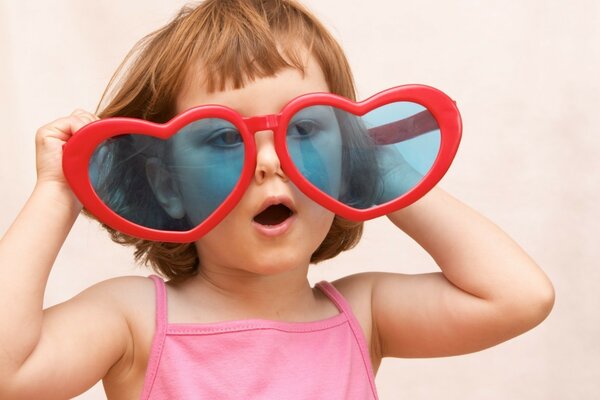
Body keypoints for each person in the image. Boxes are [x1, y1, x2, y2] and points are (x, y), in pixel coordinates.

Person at [0, 0, 555, 399]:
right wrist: (55, 192)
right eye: (223, 136)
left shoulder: (362, 316)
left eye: (305, 130)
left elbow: (518, 296)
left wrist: (370, 166)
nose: (270, 160)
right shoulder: (134, 320)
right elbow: (10, 371)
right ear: (169, 184)